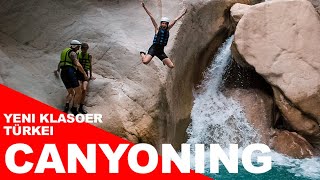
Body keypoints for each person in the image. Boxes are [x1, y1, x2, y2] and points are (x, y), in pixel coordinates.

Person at [140, 2, 187, 68]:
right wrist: (144, 7)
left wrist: (183, 13)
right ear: (161, 23)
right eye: (163, 23)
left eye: (165, 23)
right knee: (145, 62)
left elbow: (175, 20)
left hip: (161, 51)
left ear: (167, 24)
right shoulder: (157, 29)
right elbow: (151, 16)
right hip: (153, 49)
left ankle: (163, 60)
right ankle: (142, 53)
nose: (164, 25)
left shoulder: (167, 30)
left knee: (171, 66)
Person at [54, 40, 88, 115]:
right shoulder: (73, 53)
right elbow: (77, 64)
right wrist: (84, 73)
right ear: (74, 46)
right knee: (78, 92)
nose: (78, 48)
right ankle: (74, 108)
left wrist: (57, 69)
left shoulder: (65, 51)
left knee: (71, 92)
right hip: (70, 72)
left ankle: (66, 108)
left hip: (63, 73)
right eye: (78, 47)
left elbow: (60, 62)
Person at [76, 43, 95, 114]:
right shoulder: (78, 54)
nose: (85, 50)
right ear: (81, 49)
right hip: (78, 73)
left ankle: (81, 106)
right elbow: (76, 64)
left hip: (85, 74)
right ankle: (75, 106)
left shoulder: (89, 55)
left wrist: (91, 75)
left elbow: (90, 65)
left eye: (86, 49)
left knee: (84, 89)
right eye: (84, 48)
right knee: (78, 89)